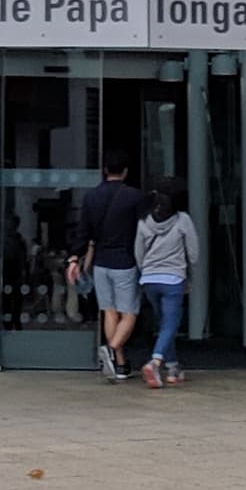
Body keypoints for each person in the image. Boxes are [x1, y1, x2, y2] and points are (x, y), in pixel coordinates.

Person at [66, 154, 148, 384]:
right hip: (126, 262)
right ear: (125, 171)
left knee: (110, 311)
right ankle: (112, 349)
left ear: (104, 170)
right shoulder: (134, 197)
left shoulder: (92, 197)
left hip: (101, 263)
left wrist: (74, 258)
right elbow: (144, 231)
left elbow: (83, 231)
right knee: (130, 312)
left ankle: (120, 364)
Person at [133, 182, 198, 388]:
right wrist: (188, 271)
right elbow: (194, 254)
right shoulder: (183, 220)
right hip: (173, 279)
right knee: (170, 324)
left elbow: (138, 253)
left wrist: (146, 271)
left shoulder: (144, 221)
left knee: (164, 325)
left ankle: (172, 368)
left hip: (150, 279)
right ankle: (155, 361)